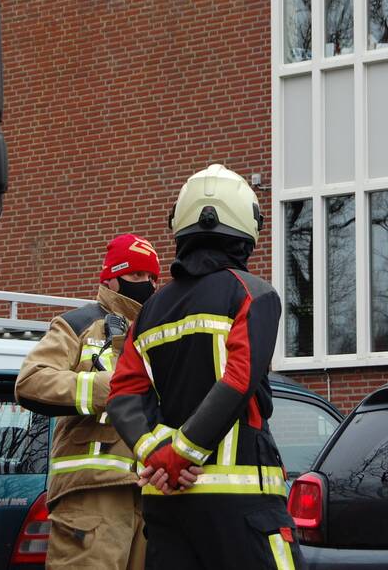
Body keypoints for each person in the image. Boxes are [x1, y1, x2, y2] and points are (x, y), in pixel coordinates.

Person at [107, 164, 304, 570]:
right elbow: (239, 381)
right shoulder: (254, 294)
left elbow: (123, 393)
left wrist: (157, 456)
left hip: (167, 504)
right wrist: (179, 456)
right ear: (245, 228)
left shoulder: (149, 311)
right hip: (243, 507)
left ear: (180, 226)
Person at [14, 233, 161, 570]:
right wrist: (109, 389)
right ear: (111, 277)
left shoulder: (158, 334)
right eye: (137, 276)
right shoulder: (78, 325)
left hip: (150, 496)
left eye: (153, 278)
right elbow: (31, 381)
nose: (148, 285)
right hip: (91, 498)